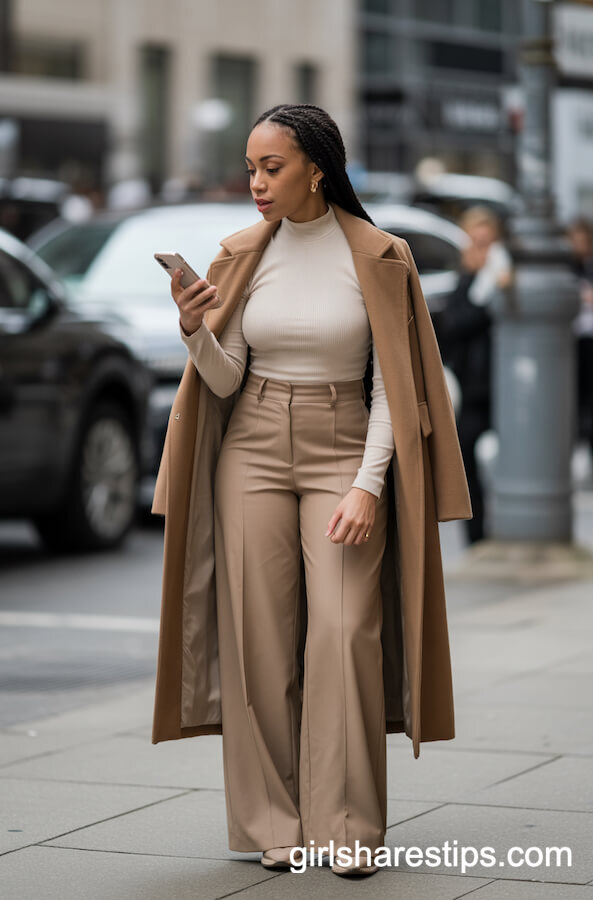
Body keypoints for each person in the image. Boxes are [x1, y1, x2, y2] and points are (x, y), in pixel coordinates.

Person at [157, 103, 471, 879]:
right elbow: (227, 379)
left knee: (344, 630)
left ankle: (349, 825)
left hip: (344, 443)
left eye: (273, 167)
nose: (257, 183)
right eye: (252, 168)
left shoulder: (378, 253)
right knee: (258, 639)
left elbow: (393, 388)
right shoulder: (240, 252)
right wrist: (195, 331)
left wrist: (369, 486)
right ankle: (274, 822)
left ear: (317, 169)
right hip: (253, 447)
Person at [438, 205, 512, 544]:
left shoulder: (509, 283)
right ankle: (477, 537)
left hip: (506, 388)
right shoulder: (466, 283)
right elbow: (454, 327)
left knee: (511, 463)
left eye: (488, 243)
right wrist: (483, 296)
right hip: (472, 388)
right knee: (466, 462)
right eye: (476, 242)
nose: (482, 250)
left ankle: (509, 530)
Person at [566, 218, 593, 475]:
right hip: (568, 342)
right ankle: (571, 450)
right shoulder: (565, 270)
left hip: (592, 340)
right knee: (570, 400)